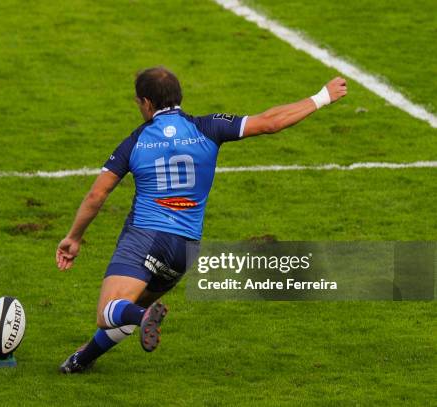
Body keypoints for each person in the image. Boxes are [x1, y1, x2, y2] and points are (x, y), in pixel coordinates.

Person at [56, 66, 347, 373]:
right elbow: (270, 122)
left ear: (146, 103)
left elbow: (96, 196)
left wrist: (74, 237)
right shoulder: (208, 127)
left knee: (109, 312)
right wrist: (322, 96)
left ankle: (142, 318)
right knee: (130, 306)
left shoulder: (135, 141)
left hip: (146, 237)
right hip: (184, 250)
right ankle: (81, 360)